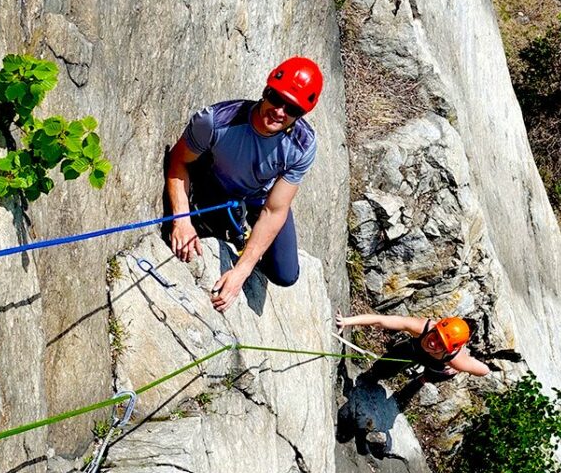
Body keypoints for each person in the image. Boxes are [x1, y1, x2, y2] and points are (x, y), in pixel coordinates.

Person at [166, 57, 323, 312]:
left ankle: (243, 231)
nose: (280, 111)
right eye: (276, 98)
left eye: (292, 109)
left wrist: (241, 270)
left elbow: (275, 209)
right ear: (266, 91)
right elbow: (177, 162)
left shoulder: (302, 146)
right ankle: (230, 224)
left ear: (301, 115)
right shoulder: (216, 121)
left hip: (261, 199)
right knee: (218, 223)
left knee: (285, 274)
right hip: (218, 187)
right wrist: (181, 220)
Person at [334, 312, 491, 381]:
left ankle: (421, 380)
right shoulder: (422, 327)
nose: (433, 342)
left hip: (437, 365)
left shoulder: (455, 360)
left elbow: (484, 370)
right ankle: (374, 376)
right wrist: (347, 321)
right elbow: (381, 320)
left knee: (435, 375)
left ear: (448, 349)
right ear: (436, 328)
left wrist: (460, 367)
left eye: (440, 344)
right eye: (436, 335)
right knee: (386, 366)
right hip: (412, 350)